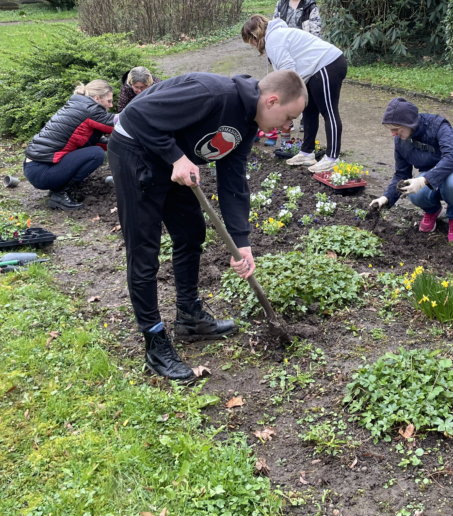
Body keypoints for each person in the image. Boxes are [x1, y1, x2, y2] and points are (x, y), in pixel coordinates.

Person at [109, 70, 307, 382]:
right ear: (272, 101)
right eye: (289, 117)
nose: (287, 127)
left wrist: (242, 243)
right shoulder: (212, 94)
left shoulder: (246, 123)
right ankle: (154, 340)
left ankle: (189, 317)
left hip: (175, 160)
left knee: (190, 233)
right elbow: (134, 115)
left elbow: (233, 183)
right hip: (137, 151)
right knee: (144, 250)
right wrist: (175, 157)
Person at [368, 98, 453, 242]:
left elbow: (451, 159)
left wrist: (422, 181)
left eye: (395, 129)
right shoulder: (401, 142)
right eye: (390, 129)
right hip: (436, 178)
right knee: (412, 191)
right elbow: (401, 174)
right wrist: (385, 198)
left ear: (409, 123)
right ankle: (432, 211)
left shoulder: (438, 125)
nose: (392, 134)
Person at [241, 14, 346, 173]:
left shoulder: (274, 39)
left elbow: (287, 71)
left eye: (252, 41)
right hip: (312, 70)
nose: (254, 45)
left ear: (255, 35)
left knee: (328, 111)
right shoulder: (275, 38)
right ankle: (306, 152)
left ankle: (332, 158)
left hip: (327, 63)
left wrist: (284, 101)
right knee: (309, 111)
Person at [23, 80, 117, 210]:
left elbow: (93, 141)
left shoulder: (79, 105)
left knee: (95, 150)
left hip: (35, 167)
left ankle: (58, 187)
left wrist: (116, 145)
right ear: (97, 98)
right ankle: (61, 194)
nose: (111, 105)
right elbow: (119, 124)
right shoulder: (91, 110)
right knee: (96, 154)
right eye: (109, 101)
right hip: (42, 172)